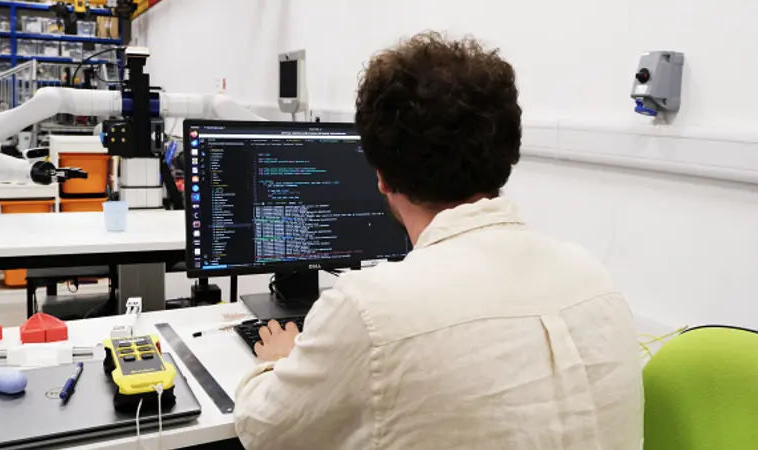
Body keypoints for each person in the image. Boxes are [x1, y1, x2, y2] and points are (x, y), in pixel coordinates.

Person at [234, 32, 643, 450]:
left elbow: (261, 429)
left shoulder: (369, 309)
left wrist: (279, 362)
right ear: (505, 155)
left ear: (381, 176)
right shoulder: (593, 277)